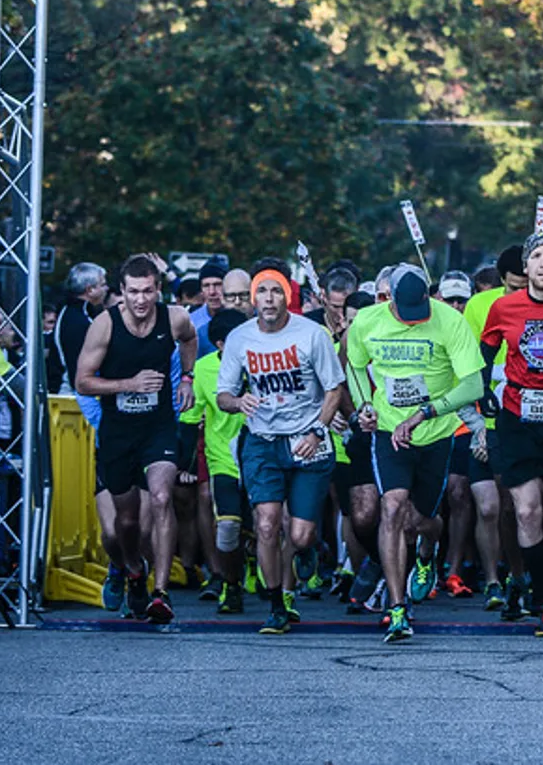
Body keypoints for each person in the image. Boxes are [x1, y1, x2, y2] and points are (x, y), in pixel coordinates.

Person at [346, 264, 483, 643]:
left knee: (422, 520)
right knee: (391, 508)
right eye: (405, 316)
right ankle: (397, 607)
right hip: (390, 431)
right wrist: (363, 407)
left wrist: (425, 413)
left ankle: (427, 554)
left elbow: (473, 384)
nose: (413, 321)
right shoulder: (369, 321)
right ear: (389, 300)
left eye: (419, 313)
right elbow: (355, 366)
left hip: (435, 434)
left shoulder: (450, 322)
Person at [74, 254, 199, 623]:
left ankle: (161, 594)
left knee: (162, 498)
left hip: (158, 426)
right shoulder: (104, 326)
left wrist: (188, 377)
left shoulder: (174, 317)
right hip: (118, 431)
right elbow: (83, 381)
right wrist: (129, 385)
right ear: (121, 293)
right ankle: (132, 570)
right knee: (123, 526)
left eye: (147, 291)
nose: (141, 300)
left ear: (157, 289)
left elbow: (190, 339)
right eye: (133, 292)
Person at [217, 273, 344, 636]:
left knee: (300, 534)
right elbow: (224, 395)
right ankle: (276, 604)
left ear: (287, 298)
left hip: (307, 440)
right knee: (267, 524)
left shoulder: (311, 335)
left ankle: (308, 549)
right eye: (262, 292)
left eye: (276, 292)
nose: (269, 299)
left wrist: (318, 430)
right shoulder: (241, 338)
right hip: (262, 440)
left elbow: (334, 389)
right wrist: (239, 400)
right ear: (254, 299)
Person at [480, 234, 543, 634]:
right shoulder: (503, 307)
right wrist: (485, 392)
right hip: (518, 415)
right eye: (536, 257)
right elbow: (485, 353)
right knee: (526, 511)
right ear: (525, 267)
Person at [180, 308, 250, 615]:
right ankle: (230, 584)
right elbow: (188, 420)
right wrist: (184, 464)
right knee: (228, 528)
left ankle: (274, 585)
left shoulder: (261, 362)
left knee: (269, 525)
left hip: (261, 457)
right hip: (224, 460)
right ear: (221, 345)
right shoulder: (204, 369)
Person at [51, 262, 110, 396]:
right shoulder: (79, 320)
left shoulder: (69, 312)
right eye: (103, 284)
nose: (106, 288)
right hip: (75, 398)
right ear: (90, 290)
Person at [191, 256, 230, 336]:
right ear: (201, 289)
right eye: (206, 285)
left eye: (217, 285)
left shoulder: (239, 318)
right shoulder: (191, 322)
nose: (212, 292)